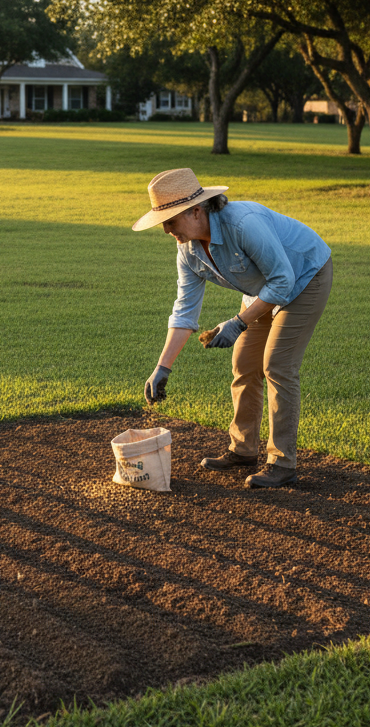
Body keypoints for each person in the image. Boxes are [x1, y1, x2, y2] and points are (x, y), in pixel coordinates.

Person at [135, 167, 332, 489]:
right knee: (244, 365)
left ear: (196, 211)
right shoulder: (188, 250)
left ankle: (282, 463)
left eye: (171, 221)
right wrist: (162, 367)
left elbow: (283, 281)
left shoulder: (243, 224)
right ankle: (243, 450)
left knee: (278, 365)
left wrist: (239, 322)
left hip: (306, 276)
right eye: (163, 223)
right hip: (263, 289)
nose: (167, 230)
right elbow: (184, 310)